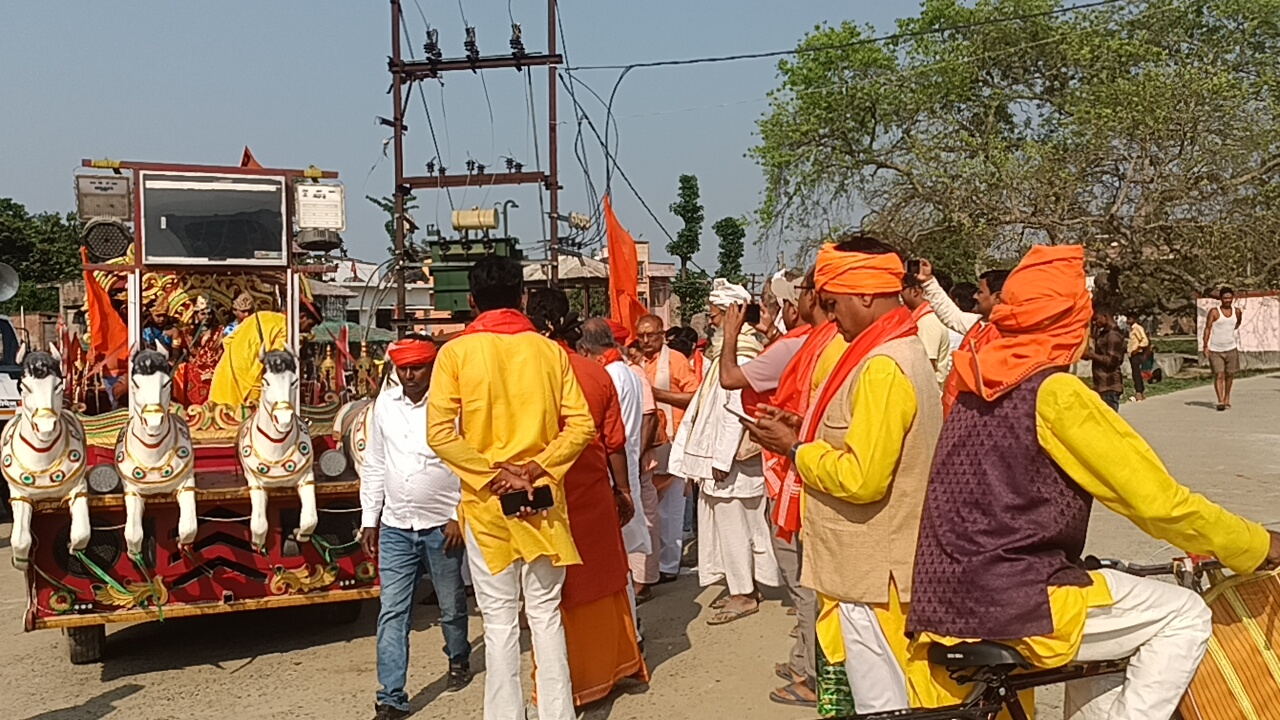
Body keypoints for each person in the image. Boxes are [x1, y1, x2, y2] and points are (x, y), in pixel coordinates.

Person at [906, 244, 1280, 719]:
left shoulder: (972, 382)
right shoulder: (1055, 392)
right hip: (1015, 596)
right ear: (1068, 321)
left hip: (946, 594)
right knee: (1183, 615)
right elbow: (1159, 504)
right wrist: (1254, 543)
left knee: (1107, 625)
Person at [744, 237, 941, 714]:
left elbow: (861, 478)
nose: (831, 319)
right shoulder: (892, 350)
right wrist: (803, 430)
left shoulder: (883, 366)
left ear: (866, 294)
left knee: (884, 702)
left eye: (833, 305)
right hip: (871, 571)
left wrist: (795, 450)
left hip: (874, 577)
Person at [426, 255, 595, 720]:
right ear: (522, 297)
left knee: (499, 622)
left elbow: (439, 434)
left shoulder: (456, 354)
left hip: (488, 507)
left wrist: (493, 475)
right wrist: (536, 468)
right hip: (543, 502)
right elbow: (581, 425)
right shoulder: (550, 352)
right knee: (545, 614)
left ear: (472, 300)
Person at [525, 291, 649, 707]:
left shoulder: (524, 371)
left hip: (538, 495)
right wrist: (623, 491)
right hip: (592, 490)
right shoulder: (594, 373)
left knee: (549, 593)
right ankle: (613, 667)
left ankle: (561, 686)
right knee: (601, 578)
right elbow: (614, 443)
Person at [717, 267, 826, 708]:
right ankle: (804, 660)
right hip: (793, 462)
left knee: (801, 579)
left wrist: (730, 335)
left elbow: (730, 378)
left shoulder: (797, 343)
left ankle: (814, 674)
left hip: (792, 468)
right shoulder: (809, 341)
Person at [359, 335, 471, 720]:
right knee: (392, 611)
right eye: (403, 368)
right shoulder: (384, 405)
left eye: (417, 368)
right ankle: (391, 696)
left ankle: (458, 655)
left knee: (451, 605)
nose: (409, 375)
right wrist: (369, 518)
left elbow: (469, 461)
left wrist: (459, 513)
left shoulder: (452, 405)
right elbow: (375, 463)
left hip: (442, 526)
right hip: (395, 526)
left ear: (431, 368)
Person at [670, 279, 781, 626]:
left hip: (732, 463)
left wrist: (720, 459)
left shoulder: (741, 355)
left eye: (715, 314)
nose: (711, 320)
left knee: (735, 528)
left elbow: (736, 411)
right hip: (731, 462)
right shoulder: (731, 353)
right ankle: (747, 586)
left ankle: (743, 594)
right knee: (742, 526)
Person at [635, 314, 699, 584]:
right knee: (650, 508)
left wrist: (657, 394)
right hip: (646, 443)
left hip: (674, 440)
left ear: (662, 335)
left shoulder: (676, 359)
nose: (646, 340)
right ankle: (650, 565)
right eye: (641, 335)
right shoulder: (635, 361)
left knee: (671, 508)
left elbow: (695, 397)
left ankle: (669, 565)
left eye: (651, 335)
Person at [208, 298, 321, 407]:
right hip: (249, 382)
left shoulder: (259, 315)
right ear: (302, 316)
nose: (309, 330)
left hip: (225, 371)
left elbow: (228, 340)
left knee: (216, 414)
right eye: (310, 325)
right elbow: (276, 363)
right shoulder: (286, 328)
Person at [900, 271, 952, 386]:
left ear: (915, 291)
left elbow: (927, 365)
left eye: (902, 289)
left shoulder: (928, 321)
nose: (900, 295)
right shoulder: (922, 319)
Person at [173, 296, 224, 407]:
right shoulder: (188, 332)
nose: (207, 317)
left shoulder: (220, 331)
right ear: (196, 315)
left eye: (209, 314)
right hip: (194, 370)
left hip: (214, 369)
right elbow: (179, 350)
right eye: (203, 314)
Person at [1204, 287, 1243, 411]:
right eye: (1225, 298)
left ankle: (1227, 398)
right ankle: (1220, 400)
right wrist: (1205, 346)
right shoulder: (1214, 312)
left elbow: (1237, 323)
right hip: (1216, 349)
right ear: (1220, 298)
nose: (1227, 300)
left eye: (1229, 298)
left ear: (1233, 298)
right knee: (1219, 374)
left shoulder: (1237, 312)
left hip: (1231, 348)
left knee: (1230, 374)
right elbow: (1208, 328)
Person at [1088, 306, 1126, 411]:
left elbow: (1111, 361)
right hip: (1101, 385)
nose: (1095, 322)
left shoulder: (1113, 335)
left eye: (1096, 319)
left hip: (1109, 387)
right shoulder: (1104, 333)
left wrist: (1092, 355)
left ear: (1105, 316)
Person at [1126, 314, 1150, 401]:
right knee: (1135, 373)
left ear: (1134, 319)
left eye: (1129, 318)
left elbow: (1145, 340)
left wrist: (1137, 349)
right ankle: (1141, 392)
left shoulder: (1137, 328)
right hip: (1132, 355)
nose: (1127, 320)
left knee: (1136, 374)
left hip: (1136, 354)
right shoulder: (1132, 329)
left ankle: (1139, 392)